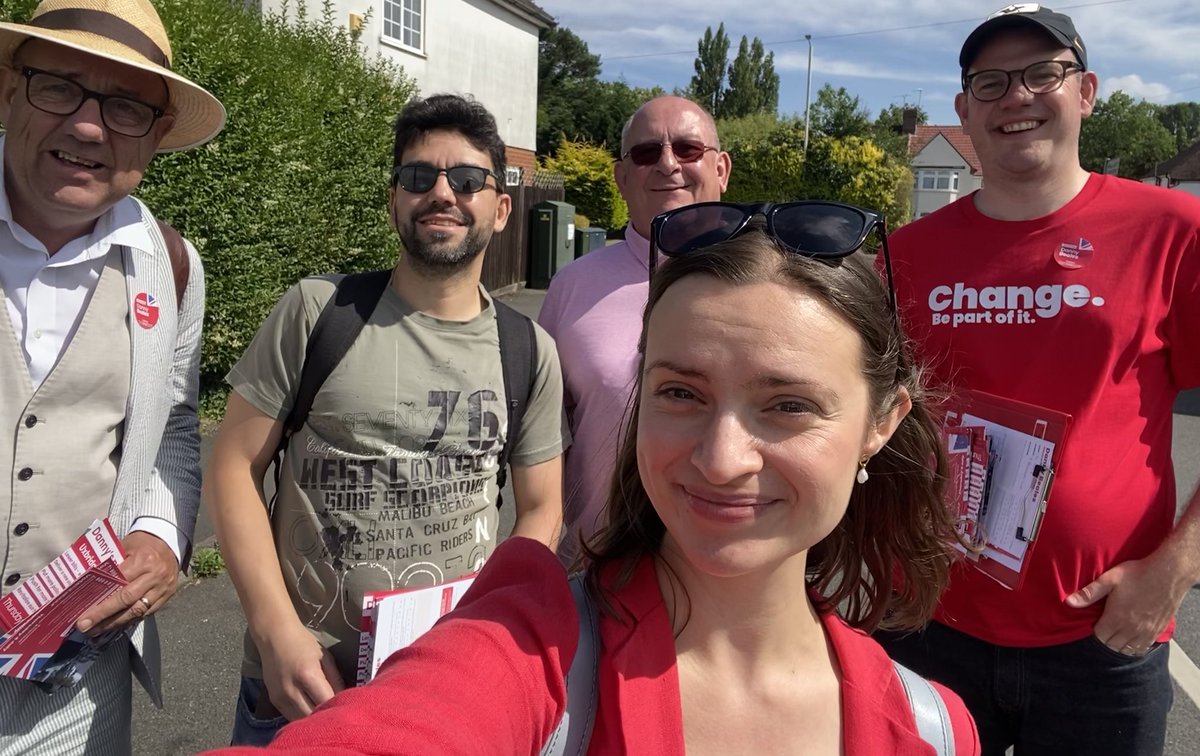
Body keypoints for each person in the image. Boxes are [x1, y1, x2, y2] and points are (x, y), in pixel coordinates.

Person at [211, 201, 980, 755]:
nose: (720, 459)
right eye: (681, 393)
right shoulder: (528, 648)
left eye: (788, 405)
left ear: (882, 421)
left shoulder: (936, 728)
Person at [878, 4, 1200, 755]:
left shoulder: (1171, 232)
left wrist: (1176, 569)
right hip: (929, 625)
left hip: (1103, 636)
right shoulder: (905, 255)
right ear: (963, 110)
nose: (1015, 97)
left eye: (1041, 74)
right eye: (990, 83)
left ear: (1085, 92)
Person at [207, 93, 567, 745]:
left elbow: (542, 510)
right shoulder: (318, 311)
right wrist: (276, 630)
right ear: (393, 198)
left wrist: (487, 634)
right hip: (302, 687)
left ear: (502, 207)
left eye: (466, 180)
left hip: (450, 689)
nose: (440, 192)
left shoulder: (529, 350)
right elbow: (234, 464)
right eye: (416, 176)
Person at [0, 0, 225, 752]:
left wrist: (162, 534)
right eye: (58, 86)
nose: (91, 128)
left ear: (157, 133)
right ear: (8, 91)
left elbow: (173, 428)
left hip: (73, 686)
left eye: (126, 105)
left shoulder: (172, 265)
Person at [539, 95, 731, 562]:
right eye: (646, 153)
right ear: (622, 178)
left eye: (687, 149)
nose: (667, 164)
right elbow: (539, 442)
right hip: (595, 571)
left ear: (721, 169)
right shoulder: (572, 287)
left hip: (729, 578)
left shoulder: (773, 280)